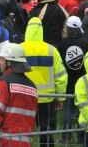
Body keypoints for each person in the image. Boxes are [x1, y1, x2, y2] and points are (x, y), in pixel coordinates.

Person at [21, 17, 68, 147]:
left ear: (27, 30)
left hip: (25, 97)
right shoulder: (51, 50)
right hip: (47, 99)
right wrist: (60, 97)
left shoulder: (19, 49)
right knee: (46, 132)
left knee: (21, 131)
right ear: (41, 30)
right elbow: (61, 76)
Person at [0, 41, 38, 146]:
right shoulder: (32, 87)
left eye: (2, 59)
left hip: (3, 142)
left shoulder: (3, 83)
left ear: (9, 62)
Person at [57, 16, 88, 143]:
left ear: (69, 28)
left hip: (67, 81)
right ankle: (82, 137)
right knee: (81, 108)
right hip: (82, 81)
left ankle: (66, 137)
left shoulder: (63, 43)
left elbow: (59, 62)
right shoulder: (86, 43)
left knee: (67, 108)